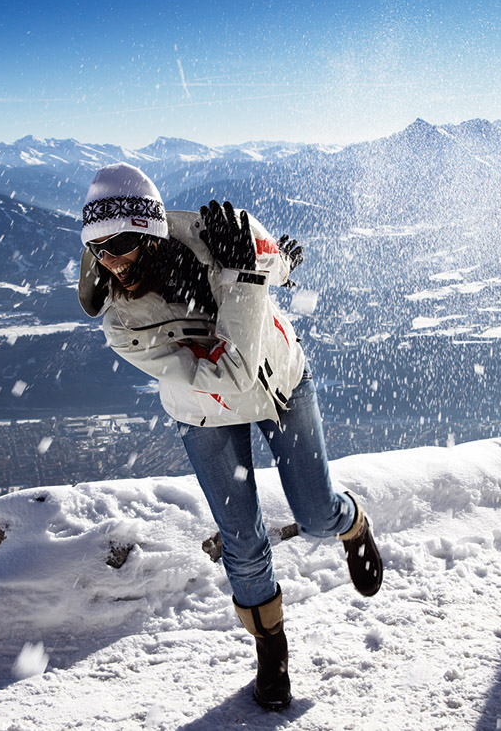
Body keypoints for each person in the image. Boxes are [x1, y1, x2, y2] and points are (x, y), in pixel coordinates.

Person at [77, 163, 383, 710]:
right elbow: (229, 379)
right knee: (241, 538)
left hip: (281, 380)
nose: (112, 260)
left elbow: (266, 257)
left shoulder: (216, 233)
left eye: (122, 243)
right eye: (98, 247)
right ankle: (272, 650)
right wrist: (238, 280)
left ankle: (351, 523)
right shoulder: (121, 324)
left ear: (149, 231)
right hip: (205, 408)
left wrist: (278, 264)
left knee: (315, 515)